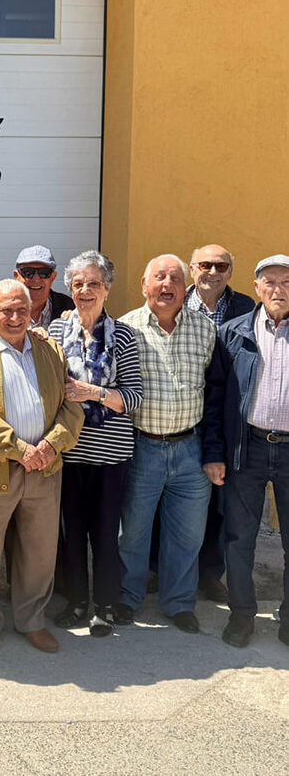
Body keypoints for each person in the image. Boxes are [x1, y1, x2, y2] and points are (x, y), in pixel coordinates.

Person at [0, 279, 83, 654]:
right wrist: (19, 449)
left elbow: (72, 403)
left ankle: (31, 619)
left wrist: (50, 445)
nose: (15, 317)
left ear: (32, 312)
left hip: (45, 468)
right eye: (6, 310)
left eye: (21, 310)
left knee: (39, 549)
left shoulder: (51, 351)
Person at [118, 255, 216, 633]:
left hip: (191, 449)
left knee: (187, 534)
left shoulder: (206, 330)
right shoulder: (126, 328)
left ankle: (178, 604)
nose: (166, 284)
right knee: (134, 532)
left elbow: (217, 389)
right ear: (144, 284)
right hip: (143, 447)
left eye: (175, 277)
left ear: (185, 285)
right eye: (159, 277)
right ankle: (128, 598)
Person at [48, 251, 143, 637]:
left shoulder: (123, 336)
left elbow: (133, 397)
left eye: (93, 284)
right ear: (70, 289)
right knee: (71, 533)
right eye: (78, 284)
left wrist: (93, 392)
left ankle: (104, 604)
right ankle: (76, 601)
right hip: (68, 452)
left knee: (105, 534)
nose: (85, 290)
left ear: (107, 288)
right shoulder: (55, 331)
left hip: (110, 455)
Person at [203, 254, 289, 649]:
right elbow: (216, 399)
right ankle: (241, 616)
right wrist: (215, 452)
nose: (278, 290)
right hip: (247, 447)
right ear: (256, 288)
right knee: (239, 538)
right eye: (269, 282)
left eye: (286, 282)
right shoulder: (235, 332)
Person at [184, 243, 255, 601]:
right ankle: (157, 568)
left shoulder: (248, 310)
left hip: (226, 418)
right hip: (181, 417)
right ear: (192, 267)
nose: (213, 272)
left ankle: (209, 573)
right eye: (206, 265)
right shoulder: (172, 302)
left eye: (222, 266)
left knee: (219, 502)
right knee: (169, 501)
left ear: (231, 270)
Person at [12, 245, 74, 330]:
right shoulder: (1, 311)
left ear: (53, 277)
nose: (36, 279)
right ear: (16, 277)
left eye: (44, 273)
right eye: (28, 272)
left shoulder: (69, 307)